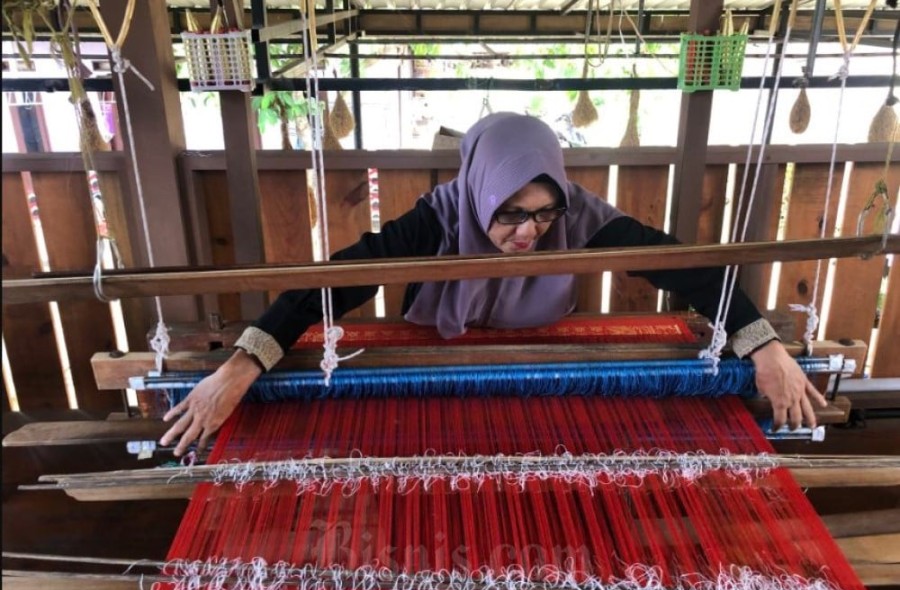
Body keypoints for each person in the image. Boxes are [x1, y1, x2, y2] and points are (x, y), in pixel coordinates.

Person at [160, 112, 826, 457]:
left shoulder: (583, 215)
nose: (530, 233)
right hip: (431, 377)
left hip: (536, 373)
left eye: (544, 213)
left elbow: (692, 268)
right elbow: (337, 281)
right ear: (479, 192)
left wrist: (764, 347)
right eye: (509, 213)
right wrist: (243, 364)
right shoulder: (440, 216)